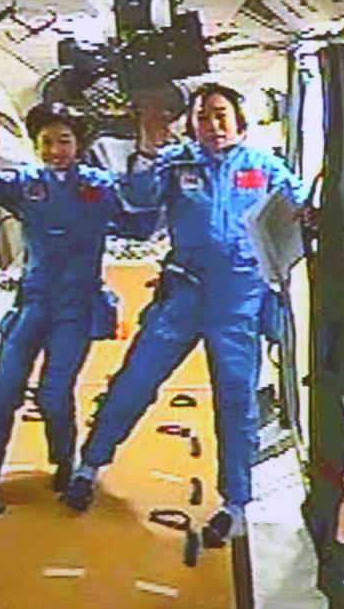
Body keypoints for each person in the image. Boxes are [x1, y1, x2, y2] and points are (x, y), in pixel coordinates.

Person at [64, 83, 312, 547]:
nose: (213, 125)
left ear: (238, 121)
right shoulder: (177, 164)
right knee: (133, 382)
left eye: (220, 115)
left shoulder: (264, 168)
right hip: (184, 295)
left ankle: (235, 505)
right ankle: (89, 465)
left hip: (238, 301)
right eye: (203, 117)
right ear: (192, 125)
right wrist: (147, 150)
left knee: (236, 403)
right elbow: (137, 201)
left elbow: (302, 210)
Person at [0, 104, 157, 521]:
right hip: (33, 303)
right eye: (47, 142)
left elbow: (139, 224)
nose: (55, 150)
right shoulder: (25, 183)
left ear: (79, 144)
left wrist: (149, 170)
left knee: (54, 393)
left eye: (64, 141)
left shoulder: (98, 186)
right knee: (1, 393)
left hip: (77, 306)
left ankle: (65, 463)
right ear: (36, 146)